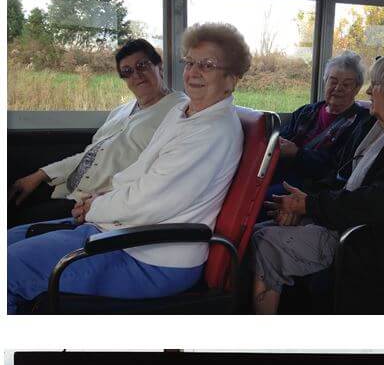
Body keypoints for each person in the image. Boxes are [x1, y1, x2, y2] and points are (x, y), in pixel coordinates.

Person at [7, 23, 250, 313]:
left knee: (9, 270)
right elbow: (139, 171)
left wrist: (95, 209)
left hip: (152, 257)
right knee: (10, 240)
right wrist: (98, 201)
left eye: (208, 65)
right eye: (190, 62)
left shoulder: (213, 131)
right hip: (123, 231)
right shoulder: (183, 113)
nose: (194, 72)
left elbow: (152, 200)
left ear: (231, 78)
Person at [250, 51, 384, 314]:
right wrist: (304, 199)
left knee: (267, 242)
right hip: (360, 224)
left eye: (374, 85)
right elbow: (342, 178)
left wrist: (310, 206)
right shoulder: (379, 127)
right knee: (261, 228)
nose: (368, 93)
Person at [7, 39, 187, 227]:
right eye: (127, 71)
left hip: (94, 202)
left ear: (159, 66)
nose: (137, 75)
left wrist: (104, 202)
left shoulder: (180, 111)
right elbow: (90, 153)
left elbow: (161, 174)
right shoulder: (120, 112)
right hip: (67, 189)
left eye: (142, 65)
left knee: (16, 226)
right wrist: (39, 175)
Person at [273, 50, 374, 189]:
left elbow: (338, 167)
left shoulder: (362, 122)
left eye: (346, 85)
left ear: (357, 88)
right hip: (283, 175)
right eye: (333, 81)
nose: (338, 88)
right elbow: (283, 139)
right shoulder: (306, 112)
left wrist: (297, 153)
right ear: (325, 81)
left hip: (315, 189)